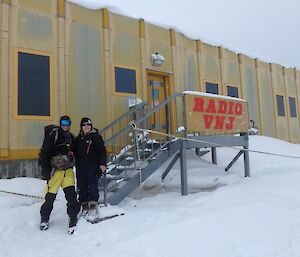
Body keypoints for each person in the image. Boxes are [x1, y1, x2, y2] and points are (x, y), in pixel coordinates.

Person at [39, 115, 80, 233]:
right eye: (63, 123)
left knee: (71, 196)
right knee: (49, 197)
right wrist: (45, 171)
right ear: (60, 124)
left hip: (68, 172)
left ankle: (73, 218)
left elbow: (77, 153)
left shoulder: (72, 138)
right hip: (55, 173)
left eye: (67, 123)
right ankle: (44, 218)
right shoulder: (54, 136)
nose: (65, 125)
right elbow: (44, 153)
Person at [74, 117, 107, 217]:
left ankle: (93, 204)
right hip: (81, 166)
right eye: (84, 125)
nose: (86, 127)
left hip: (93, 166)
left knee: (92, 185)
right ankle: (84, 204)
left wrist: (102, 164)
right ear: (81, 127)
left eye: (88, 125)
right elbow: (74, 150)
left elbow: (102, 151)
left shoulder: (96, 137)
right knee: (82, 185)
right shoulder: (79, 138)